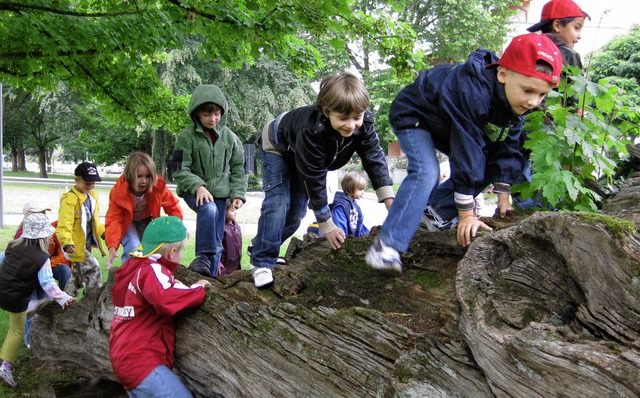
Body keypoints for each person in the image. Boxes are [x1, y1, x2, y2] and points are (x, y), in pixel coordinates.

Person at [365, 33, 563, 275]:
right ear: (503, 74)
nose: (533, 101)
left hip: (445, 125)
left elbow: (508, 150)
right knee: (427, 171)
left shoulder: (515, 104)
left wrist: (503, 201)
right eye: (528, 90)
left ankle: (435, 211)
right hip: (416, 115)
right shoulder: (473, 93)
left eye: (542, 95)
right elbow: (467, 149)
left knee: (489, 159)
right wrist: (467, 214)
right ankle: (385, 247)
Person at [250, 71, 395, 288]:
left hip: (301, 155)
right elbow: (314, 177)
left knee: (297, 212)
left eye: (357, 117)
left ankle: (261, 246)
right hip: (278, 145)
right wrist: (327, 225)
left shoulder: (364, 125)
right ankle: (261, 261)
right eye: (343, 118)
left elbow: (374, 159)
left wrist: (389, 199)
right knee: (278, 203)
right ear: (327, 112)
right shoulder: (313, 131)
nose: (351, 125)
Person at [109, 216, 210, 397]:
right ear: (171, 252)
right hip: (143, 361)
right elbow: (165, 298)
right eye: (181, 251)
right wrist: (198, 289)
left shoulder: (133, 266)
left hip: (124, 357)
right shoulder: (151, 269)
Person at [511, 0, 590, 209]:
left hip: (521, 120)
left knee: (521, 173)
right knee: (546, 176)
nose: (579, 35)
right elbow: (573, 97)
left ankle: (521, 215)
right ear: (557, 25)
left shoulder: (531, 47)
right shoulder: (569, 55)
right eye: (576, 27)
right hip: (550, 128)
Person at [172, 84, 247, 278]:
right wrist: (198, 186)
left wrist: (238, 194)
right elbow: (178, 170)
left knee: (217, 243)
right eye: (207, 115)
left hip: (221, 195)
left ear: (222, 111)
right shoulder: (185, 138)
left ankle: (210, 280)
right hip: (193, 192)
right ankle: (202, 257)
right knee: (209, 208)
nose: (212, 119)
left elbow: (240, 168)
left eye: (216, 114)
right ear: (197, 114)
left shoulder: (231, 138)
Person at [0, 212, 76, 387]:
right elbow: (48, 283)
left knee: (16, 322)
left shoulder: (13, 246)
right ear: (44, 236)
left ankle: (31, 309)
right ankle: (5, 367)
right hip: (17, 299)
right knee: (16, 331)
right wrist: (64, 298)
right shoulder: (42, 258)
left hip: (4, 292)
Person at [105, 151, 183, 270]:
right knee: (133, 245)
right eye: (139, 176)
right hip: (126, 222)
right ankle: (129, 276)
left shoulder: (157, 187)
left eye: (148, 176)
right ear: (130, 175)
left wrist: (178, 228)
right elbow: (114, 219)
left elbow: (172, 207)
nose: (144, 181)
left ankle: (149, 275)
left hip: (146, 220)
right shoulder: (119, 191)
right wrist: (112, 247)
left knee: (151, 248)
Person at [56, 161, 106, 296]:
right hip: (76, 245)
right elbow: (64, 225)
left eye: (93, 183)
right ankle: (93, 301)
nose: (90, 186)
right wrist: (66, 242)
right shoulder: (69, 200)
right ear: (76, 180)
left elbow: (95, 222)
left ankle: (65, 300)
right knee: (93, 269)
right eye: (87, 183)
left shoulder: (93, 197)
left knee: (77, 275)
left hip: (88, 244)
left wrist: (105, 234)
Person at [329, 172, 370, 238]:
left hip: (352, 240)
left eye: (363, 189)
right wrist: (343, 238)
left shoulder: (355, 206)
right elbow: (339, 224)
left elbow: (359, 224)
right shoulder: (340, 206)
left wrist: (367, 234)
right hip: (343, 241)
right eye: (360, 189)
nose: (363, 192)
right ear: (350, 188)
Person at [220, 200, 242, 276]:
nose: (235, 212)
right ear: (225, 212)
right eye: (232, 211)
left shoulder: (237, 227)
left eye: (236, 210)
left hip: (236, 265)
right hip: (224, 266)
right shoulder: (221, 228)